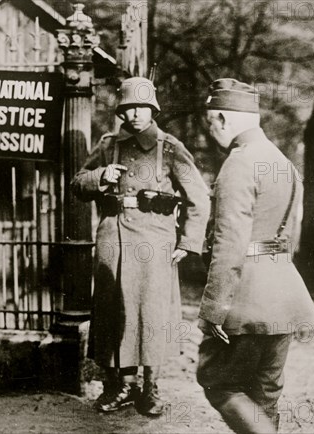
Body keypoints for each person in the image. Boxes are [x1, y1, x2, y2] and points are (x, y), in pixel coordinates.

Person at [72, 77, 210, 416]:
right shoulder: (107, 145)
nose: (135, 114)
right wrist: (100, 176)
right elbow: (77, 183)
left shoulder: (170, 147)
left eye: (142, 107)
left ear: (153, 109)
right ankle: (118, 385)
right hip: (113, 240)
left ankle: (150, 388)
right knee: (112, 314)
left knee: (152, 315)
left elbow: (199, 198)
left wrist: (190, 242)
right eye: (129, 107)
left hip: (154, 240)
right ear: (121, 110)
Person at [197, 78, 314, 433]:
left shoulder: (239, 163)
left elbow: (229, 243)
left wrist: (214, 309)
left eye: (210, 122)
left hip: (246, 297)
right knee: (264, 393)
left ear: (221, 119)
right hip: (284, 292)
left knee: (218, 382)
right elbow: (290, 234)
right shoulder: (283, 163)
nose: (211, 130)